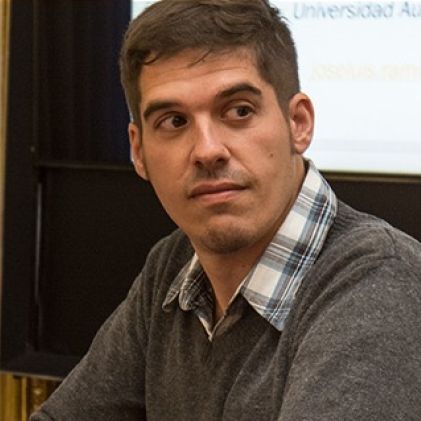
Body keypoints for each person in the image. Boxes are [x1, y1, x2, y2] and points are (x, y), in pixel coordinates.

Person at [30, 1, 421, 420]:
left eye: (239, 111)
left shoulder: (379, 277)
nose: (207, 150)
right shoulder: (172, 266)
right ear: (139, 151)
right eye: (174, 121)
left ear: (298, 123)